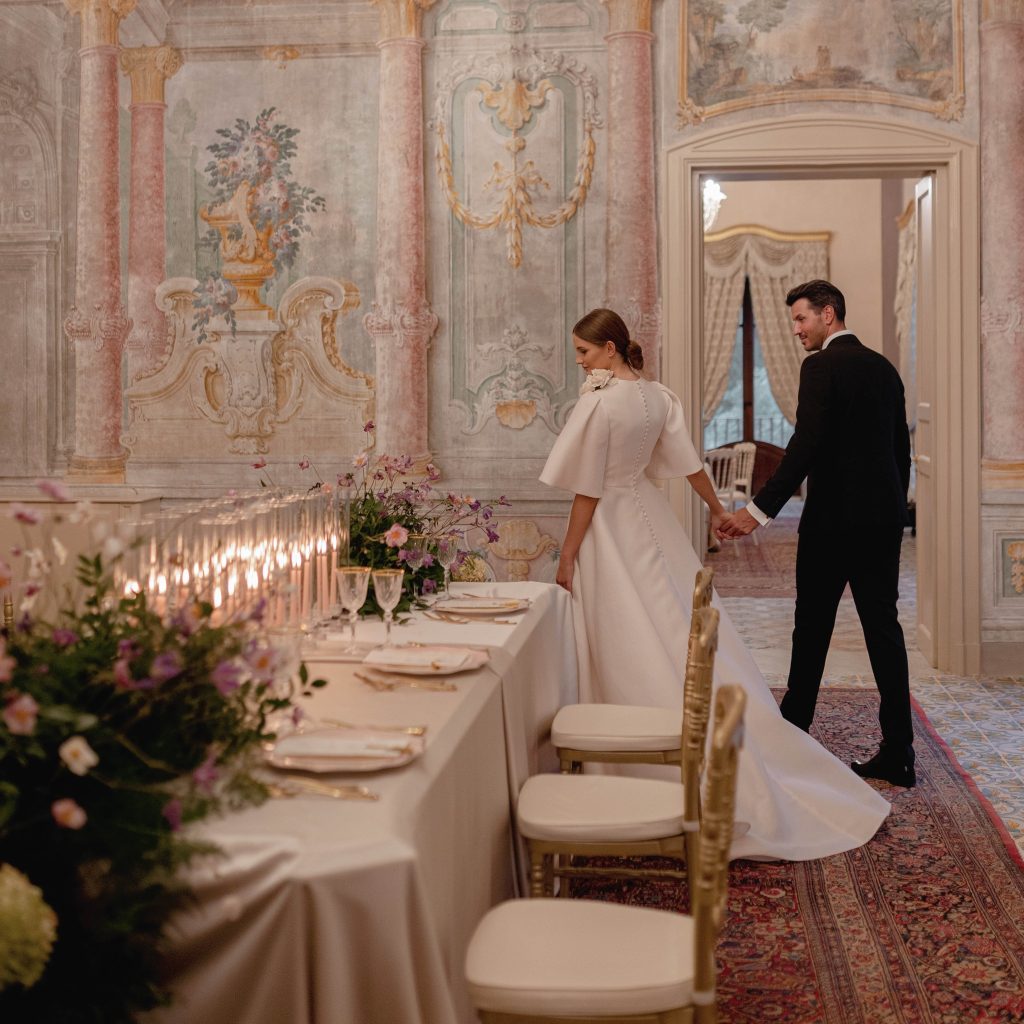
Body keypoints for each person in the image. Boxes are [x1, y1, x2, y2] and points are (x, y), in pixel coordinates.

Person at [541, 307, 890, 862]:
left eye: (584, 352)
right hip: (650, 519)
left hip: (610, 526)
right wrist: (715, 507)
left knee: (629, 628)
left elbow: (586, 490)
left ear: (609, 349)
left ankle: (628, 761)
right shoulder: (658, 396)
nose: (579, 362)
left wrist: (567, 554)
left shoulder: (601, 402)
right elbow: (687, 463)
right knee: (670, 618)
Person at [720, 280, 915, 788]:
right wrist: (894, 508)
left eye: (801, 319)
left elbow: (804, 447)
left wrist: (757, 511)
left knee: (811, 630)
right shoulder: (884, 368)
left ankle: (792, 735)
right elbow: (900, 453)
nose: (797, 330)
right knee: (884, 633)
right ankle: (900, 752)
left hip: (832, 524)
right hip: (882, 521)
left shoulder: (821, 367)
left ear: (829, 315)